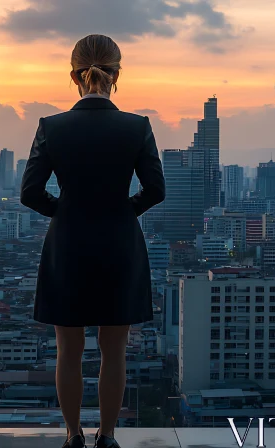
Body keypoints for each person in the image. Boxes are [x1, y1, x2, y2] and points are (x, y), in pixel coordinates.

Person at [20, 34, 165, 448]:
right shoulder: (137, 126)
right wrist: (120, 212)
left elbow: (30, 192)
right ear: (117, 74)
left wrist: (68, 213)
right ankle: (108, 436)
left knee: (69, 348)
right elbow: (155, 190)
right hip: (119, 244)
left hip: (68, 244)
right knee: (113, 348)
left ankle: (72, 435)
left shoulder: (52, 127)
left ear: (74, 76)